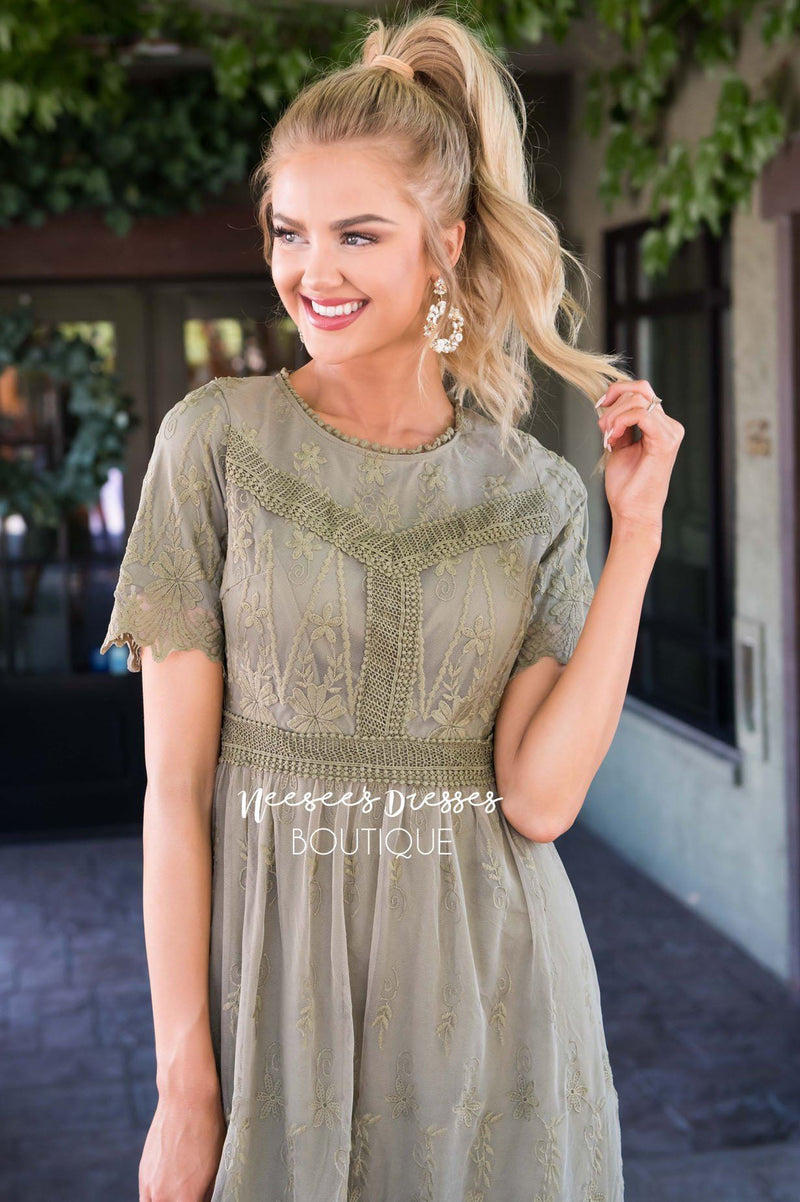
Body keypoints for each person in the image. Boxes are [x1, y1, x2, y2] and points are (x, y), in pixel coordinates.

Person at [101, 7, 683, 1200]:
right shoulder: (213, 443)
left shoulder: (534, 494)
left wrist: (634, 539)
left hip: (493, 1003)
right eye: (289, 230)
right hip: (269, 1000)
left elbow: (537, 797)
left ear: (443, 245)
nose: (311, 271)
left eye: (357, 235)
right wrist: (184, 1080)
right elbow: (174, 791)